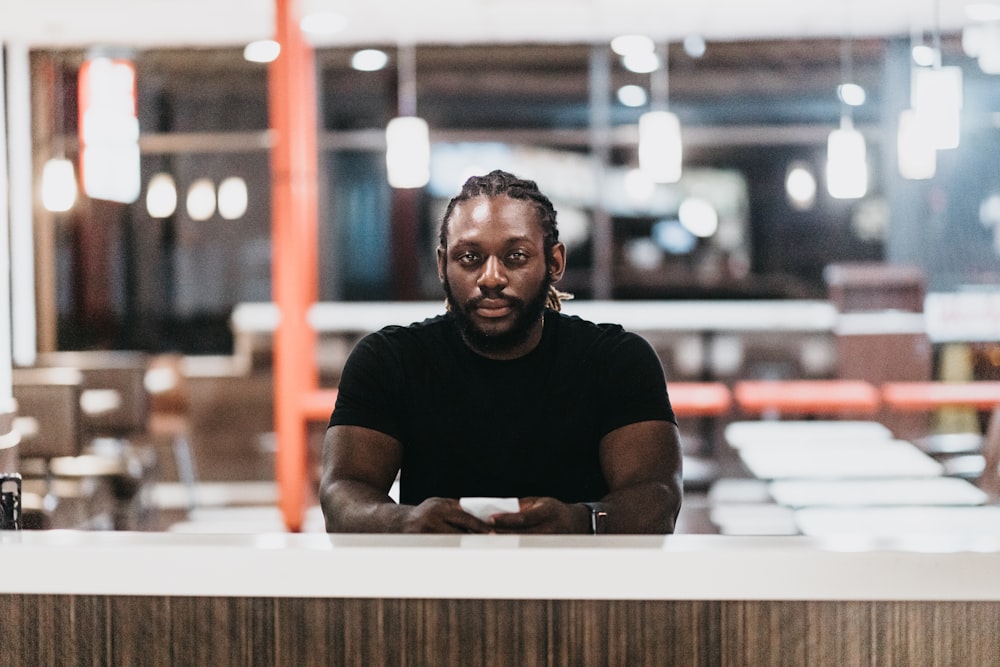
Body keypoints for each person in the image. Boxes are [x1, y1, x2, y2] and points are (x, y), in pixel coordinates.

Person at [319, 169, 683, 534]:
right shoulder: (389, 360)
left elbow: (657, 498)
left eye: (516, 256)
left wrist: (578, 522)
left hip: (579, 585)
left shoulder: (617, 360)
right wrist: (405, 522)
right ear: (442, 265)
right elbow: (342, 493)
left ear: (554, 263)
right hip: (436, 586)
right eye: (469, 257)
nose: (491, 277)